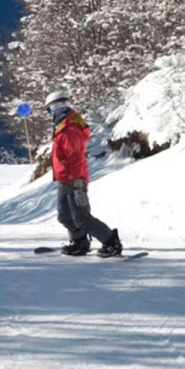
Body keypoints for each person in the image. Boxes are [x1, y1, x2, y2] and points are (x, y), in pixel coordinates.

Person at [45, 90, 122, 257]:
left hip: (74, 180)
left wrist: (79, 183)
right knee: (64, 216)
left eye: (50, 110)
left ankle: (111, 242)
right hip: (65, 179)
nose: (50, 114)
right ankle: (80, 242)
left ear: (59, 106)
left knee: (81, 218)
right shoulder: (63, 128)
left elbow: (76, 158)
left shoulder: (70, 129)